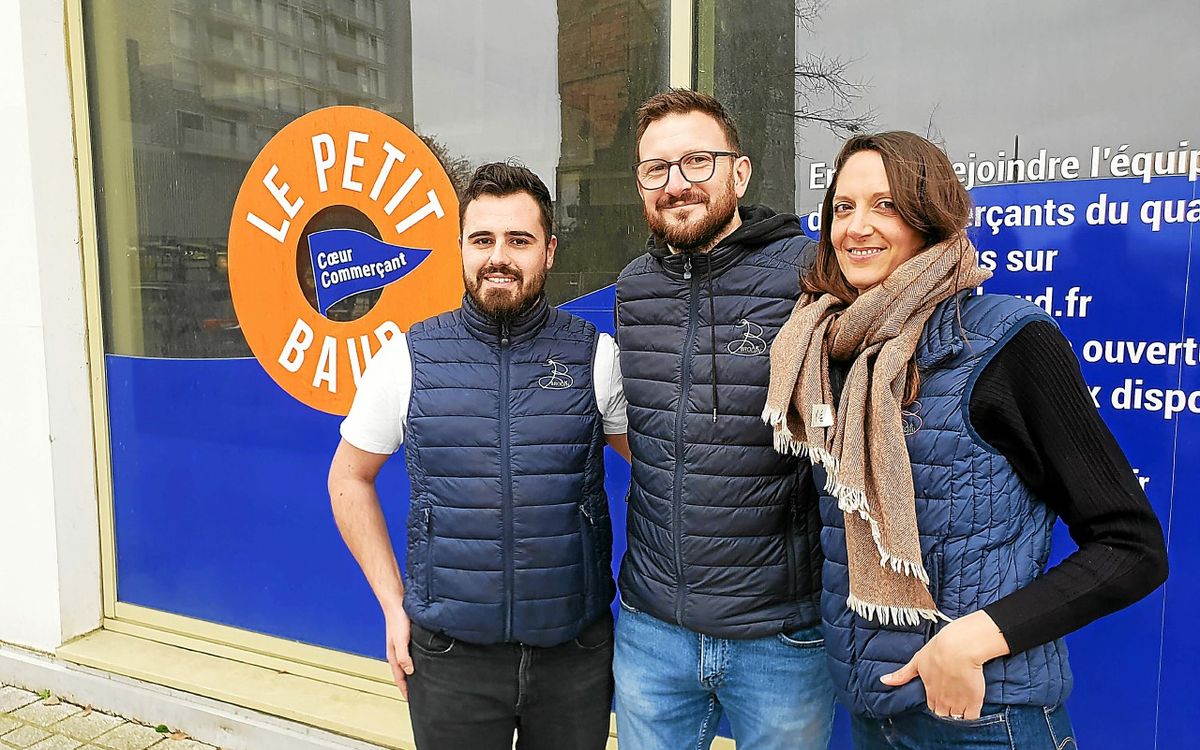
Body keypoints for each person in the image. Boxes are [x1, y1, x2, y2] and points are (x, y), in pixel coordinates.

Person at [763, 131, 1169, 748]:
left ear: (930, 218)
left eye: (887, 205)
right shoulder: (823, 350)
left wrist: (970, 640)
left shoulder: (1007, 341)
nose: (856, 227)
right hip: (878, 712)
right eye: (842, 208)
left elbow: (1131, 546)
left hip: (986, 716)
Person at [328, 162, 631, 750]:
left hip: (573, 655)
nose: (500, 256)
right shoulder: (407, 358)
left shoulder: (595, 356)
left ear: (549, 250)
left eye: (519, 240)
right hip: (449, 658)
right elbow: (348, 478)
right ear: (461, 248)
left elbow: (660, 469)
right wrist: (393, 607)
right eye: (482, 239)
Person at [613, 89, 835, 750]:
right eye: (657, 169)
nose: (676, 184)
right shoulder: (633, 287)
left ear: (739, 174)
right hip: (652, 629)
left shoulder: (808, 274)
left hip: (780, 636)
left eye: (696, 163)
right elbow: (653, 431)